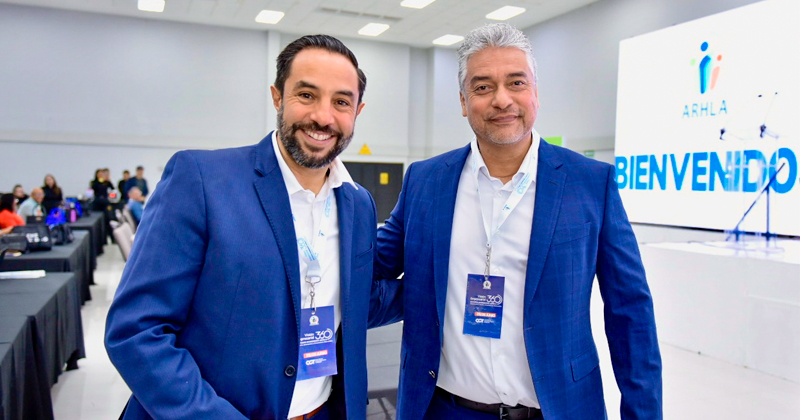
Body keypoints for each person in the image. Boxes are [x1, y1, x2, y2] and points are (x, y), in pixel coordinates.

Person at [105, 34, 400, 420]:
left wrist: (444, 285)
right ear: (278, 97)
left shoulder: (358, 203)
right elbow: (138, 331)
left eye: (341, 102)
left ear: (357, 111)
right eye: (306, 95)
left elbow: (357, 300)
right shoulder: (202, 181)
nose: (323, 117)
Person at [374, 23, 662, 420]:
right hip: (444, 409)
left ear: (535, 93)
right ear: (463, 101)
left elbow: (630, 312)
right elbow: (371, 272)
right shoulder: (425, 181)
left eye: (516, 83)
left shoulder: (591, 183)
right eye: (483, 87)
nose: (502, 99)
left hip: (557, 409)